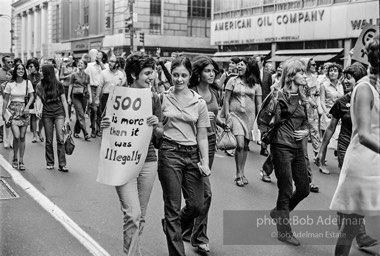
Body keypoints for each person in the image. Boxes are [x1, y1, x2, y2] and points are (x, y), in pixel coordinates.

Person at [100, 52, 163, 255]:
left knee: (140, 216)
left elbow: (160, 136)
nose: (151, 76)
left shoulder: (154, 98)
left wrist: (156, 126)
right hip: (122, 162)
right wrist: (104, 124)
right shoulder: (117, 96)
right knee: (132, 214)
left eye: (152, 72)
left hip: (148, 161)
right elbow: (107, 125)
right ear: (134, 74)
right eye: (147, 72)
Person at [315, 62, 377, 250]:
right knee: (350, 198)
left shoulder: (373, 94)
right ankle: (354, 230)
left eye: (349, 77)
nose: (345, 81)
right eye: (345, 77)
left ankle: (356, 230)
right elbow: (331, 128)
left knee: (355, 201)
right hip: (347, 147)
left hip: (371, 156)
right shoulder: (343, 101)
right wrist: (321, 149)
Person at [329, 34, 380, 256]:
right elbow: (365, 135)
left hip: (376, 161)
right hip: (364, 164)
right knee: (350, 228)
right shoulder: (365, 88)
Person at [158, 56, 210, 256]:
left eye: (183, 75)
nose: (179, 79)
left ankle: (171, 224)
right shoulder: (162, 98)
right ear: (170, 75)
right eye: (175, 75)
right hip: (169, 153)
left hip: (192, 155)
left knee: (196, 205)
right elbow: (155, 128)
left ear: (190, 76)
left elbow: (202, 135)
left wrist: (204, 161)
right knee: (172, 207)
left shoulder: (199, 103)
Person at [182, 55, 225, 254]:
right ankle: (198, 237)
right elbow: (181, 118)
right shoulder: (190, 92)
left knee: (198, 191)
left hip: (211, 141)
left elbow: (215, 114)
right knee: (205, 193)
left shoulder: (215, 90)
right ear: (198, 73)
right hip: (193, 143)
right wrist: (201, 117)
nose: (211, 74)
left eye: (213, 71)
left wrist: (222, 123)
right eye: (207, 70)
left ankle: (186, 228)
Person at [269, 60, 311, 246]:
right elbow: (266, 118)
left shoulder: (302, 95)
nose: (305, 75)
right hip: (281, 146)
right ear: (291, 75)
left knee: (304, 188)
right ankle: (284, 231)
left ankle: (279, 211)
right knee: (285, 189)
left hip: (297, 147)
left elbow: (305, 122)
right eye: (301, 72)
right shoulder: (278, 96)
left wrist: (306, 131)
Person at [224, 57, 262, 187]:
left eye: (241, 65)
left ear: (249, 67)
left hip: (250, 118)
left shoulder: (256, 85)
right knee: (239, 145)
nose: (238, 67)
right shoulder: (232, 81)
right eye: (238, 65)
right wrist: (227, 114)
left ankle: (242, 172)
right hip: (235, 116)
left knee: (245, 146)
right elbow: (226, 99)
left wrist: (259, 121)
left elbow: (259, 104)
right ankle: (238, 174)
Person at [35, 64, 70, 172]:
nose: (40, 72)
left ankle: (62, 164)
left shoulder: (58, 84)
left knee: (60, 138)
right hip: (47, 113)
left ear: (46, 73)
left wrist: (67, 117)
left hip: (59, 112)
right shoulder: (39, 85)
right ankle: (50, 162)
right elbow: (39, 99)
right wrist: (38, 110)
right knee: (49, 140)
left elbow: (64, 101)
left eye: (42, 71)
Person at [2, 63, 35, 171]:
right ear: (15, 71)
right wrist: (3, 113)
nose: (20, 70)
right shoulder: (10, 84)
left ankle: (20, 160)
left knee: (22, 136)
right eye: (18, 69)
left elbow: (32, 97)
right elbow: (6, 100)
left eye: (22, 69)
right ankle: (14, 157)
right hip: (12, 111)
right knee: (16, 136)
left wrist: (27, 107)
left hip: (24, 111)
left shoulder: (27, 83)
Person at [95, 55, 125, 125]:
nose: (109, 63)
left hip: (116, 98)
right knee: (104, 116)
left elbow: (122, 87)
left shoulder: (121, 74)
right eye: (109, 61)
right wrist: (97, 99)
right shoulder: (104, 72)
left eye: (112, 61)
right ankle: (101, 132)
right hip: (105, 97)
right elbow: (100, 86)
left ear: (117, 64)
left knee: (114, 116)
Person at [68, 59, 92, 141]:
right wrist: (68, 97)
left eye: (82, 63)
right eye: (79, 63)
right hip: (75, 96)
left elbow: (88, 86)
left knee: (80, 115)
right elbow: (70, 86)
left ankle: (76, 131)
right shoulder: (73, 75)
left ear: (85, 66)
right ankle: (86, 133)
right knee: (81, 114)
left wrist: (90, 97)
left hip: (84, 96)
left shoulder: (87, 76)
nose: (80, 64)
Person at [85, 50, 107, 138]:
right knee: (94, 109)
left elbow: (106, 73)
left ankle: (98, 129)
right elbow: (85, 75)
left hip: (102, 89)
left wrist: (100, 63)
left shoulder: (106, 66)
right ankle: (93, 128)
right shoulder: (90, 65)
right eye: (97, 54)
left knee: (100, 111)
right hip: (93, 88)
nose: (97, 55)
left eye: (100, 54)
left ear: (103, 57)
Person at [320, 62, 344, 138]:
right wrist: (326, 112)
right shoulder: (324, 85)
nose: (332, 73)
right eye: (331, 71)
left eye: (335, 71)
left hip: (340, 115)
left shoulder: (341, 85)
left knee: (338, 140)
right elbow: (322, 101)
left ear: (339, 73)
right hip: (328, 114)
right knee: (327, 140)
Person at [256, 56, 272, 156]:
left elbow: (270, 89)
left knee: (263, 125)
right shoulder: (251, 73)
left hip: (265, 102)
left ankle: (263, 147)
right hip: (253, 102)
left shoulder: (268, 74)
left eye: (257, 61)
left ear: (262, 62)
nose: (256, 63)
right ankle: (246, 142)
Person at [26, 58, 44, 143]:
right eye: (28, 67)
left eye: (31, 66)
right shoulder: (27, 77)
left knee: (41, 117)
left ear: (36, 66)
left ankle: (39, 132)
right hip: (31, 98)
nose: (29, 68)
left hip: (41, 98)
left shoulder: (41, 76)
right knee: (33, 117)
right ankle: (34, 135)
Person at [0, 56, 14, 143]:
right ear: (3, 63)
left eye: (11, 62)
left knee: (11, 117)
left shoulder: (14, 71)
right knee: (2, 117)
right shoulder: (0, 71)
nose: (10, 63)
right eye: (8, 62)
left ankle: (11, 138)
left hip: (12, 98)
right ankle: (1, 136)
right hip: (1, 97)